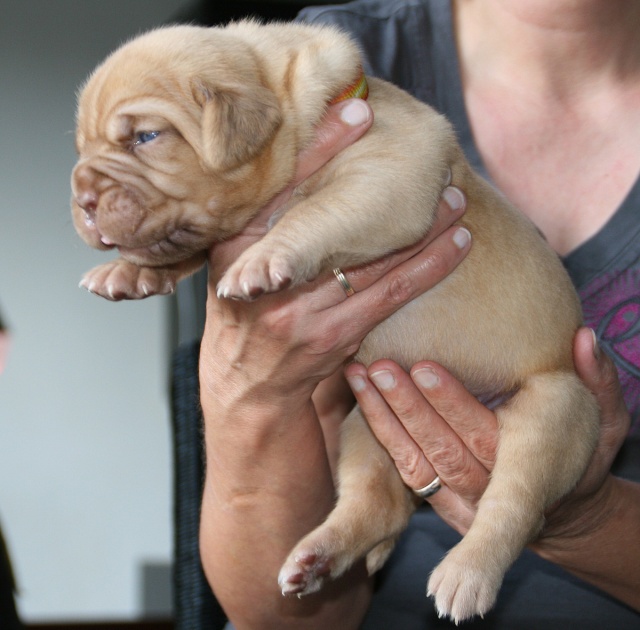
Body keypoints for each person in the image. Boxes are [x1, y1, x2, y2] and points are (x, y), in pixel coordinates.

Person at [198, 1, 640, 628]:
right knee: (366, 433)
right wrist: (243, 384)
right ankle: (360, 522)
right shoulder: (329, 63)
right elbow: (284, 618)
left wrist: (587, 524)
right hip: (382, 604)